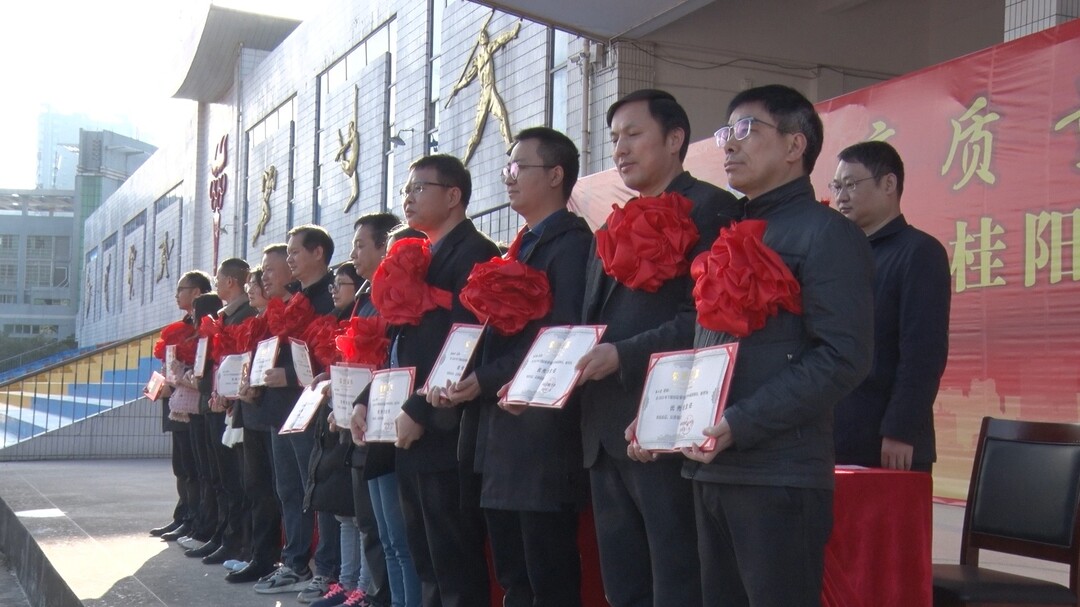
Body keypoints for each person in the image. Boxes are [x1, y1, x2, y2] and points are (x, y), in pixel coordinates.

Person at [682, 84, 874, 606]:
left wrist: (742, 422)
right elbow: (708, 347)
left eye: (747, 129)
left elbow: (843, 357)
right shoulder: (730, 233)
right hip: (713, 467)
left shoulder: (828, 234)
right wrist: (666, 414)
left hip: (778, 474)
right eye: (726, 131)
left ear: (795, 145)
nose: (729, 143)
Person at [575, 89, 740, 607]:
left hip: (665, 421)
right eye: (614, 139)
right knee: (623, 581)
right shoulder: (612, 222)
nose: (620, 149)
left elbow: (706, 319)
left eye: (633, 134)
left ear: (674, 139)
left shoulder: (712, 210)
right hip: (604, 428)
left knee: (676, 573)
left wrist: (624, 355)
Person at [436, 126, 593, 606]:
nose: (508, 177)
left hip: (540, 435)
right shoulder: (521, 246)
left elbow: (560, 338)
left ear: (555, 175)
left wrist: (484, 378)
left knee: (546, 569)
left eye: (518, 167)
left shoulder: (571, 245)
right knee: (512, 569)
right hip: (500, 431)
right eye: (507, 167)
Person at [351, 155, 499, 607]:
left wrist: (419, 408)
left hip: (444, 426)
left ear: (453, 196)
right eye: (406, 190)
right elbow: (400, 342)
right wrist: (365, 398)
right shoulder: (420, 255)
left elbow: (467, 341)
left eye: (420, 188)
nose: (409, 198)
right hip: (410, 423)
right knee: (425, 557)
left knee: (453, 559)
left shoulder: (474, 253)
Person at [831, 141, 951, 473]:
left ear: (888, 183)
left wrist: (901, 429)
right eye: (836, 186)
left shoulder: (919, 252)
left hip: (888, 443)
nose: (841, 196)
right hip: (835, 438)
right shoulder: (841, 256)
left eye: (851, 184)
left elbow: (923, 352)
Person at [255, 226, 341, 601]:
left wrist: (288, 376)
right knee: (289, 489)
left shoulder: (332, 295)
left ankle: (328, 570)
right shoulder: (295, 298)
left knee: (318, 491)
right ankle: (295, 562)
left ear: (318, 252)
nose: (290, 259)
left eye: (294, 252)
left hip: (316, 408)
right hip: (286, 410)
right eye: (287, 253)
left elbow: (330, 356)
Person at [197, 257, 258, 566]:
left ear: (231, 281)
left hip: (239, 406)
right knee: (223, 477)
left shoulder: (246, 315)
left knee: (240, 482)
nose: (216, 284)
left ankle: (239, 543)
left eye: (218, 279)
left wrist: (227, 394)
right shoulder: (226, 317)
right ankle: (226, 536)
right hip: (222, 402)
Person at [226, 266, 282, 584]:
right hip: (251, 411)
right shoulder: (256, 322)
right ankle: (256, 553)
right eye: (248, 284)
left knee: (270, 490)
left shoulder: (279, 319)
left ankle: (267, 557)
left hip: (269, 413)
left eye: (255, 283)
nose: (250, 289)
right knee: (255, 487)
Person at [151, 271, 210, 541]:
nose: (177, 295)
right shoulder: (180, 327)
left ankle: (194, 519)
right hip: (176, 401)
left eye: (181, 289)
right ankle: (182, 516)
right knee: (181, 466)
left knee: (194, 466)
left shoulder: (205, 326)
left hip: (192, 403)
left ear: (196, 292)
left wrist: (177, 382)